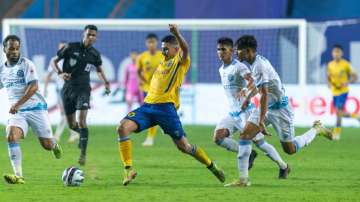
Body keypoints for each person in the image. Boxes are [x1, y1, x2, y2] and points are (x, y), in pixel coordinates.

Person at [116, 24, 225, 186]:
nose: (163, 51)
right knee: (122, 128)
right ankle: (128, 170)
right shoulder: (161, 64)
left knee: (184, 147)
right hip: (147, 107)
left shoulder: (179, 63)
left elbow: (186, 51)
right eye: (163, 48)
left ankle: (211, 165)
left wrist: (177, 34)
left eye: (166, 48)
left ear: (176, 49)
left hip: (166, 109)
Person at [226, 35, 333, 187]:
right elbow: (260, 89)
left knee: (289, 149)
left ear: (248, 51)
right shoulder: (254, 64)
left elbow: (263, 94)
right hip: (266, 106)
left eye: (239, 50)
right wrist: (248, 98)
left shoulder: (259, 66)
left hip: (280, 110)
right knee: (245, 135)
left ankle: (316, 130)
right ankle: (243, 179)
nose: (237, 53)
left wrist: (261, 119)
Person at [214, 37, 289, 178]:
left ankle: (283, 166)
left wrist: (246, 92)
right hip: (232, 113)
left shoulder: (240, 67)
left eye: (224, 49)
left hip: (246, 112)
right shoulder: (221, 69)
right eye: (218, 49)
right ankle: (250, 154)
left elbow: (254, 85)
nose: (220, 52)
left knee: (260, 142)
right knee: (218, 138)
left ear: (231, 51)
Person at [1, 35, 62, 184]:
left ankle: (54, 145)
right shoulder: (2, 69)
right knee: (11, 135)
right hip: (18, 113)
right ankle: (19, 176)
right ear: (4, 49)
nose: (15, 52)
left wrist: (18, 104)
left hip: (36, 109)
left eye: (17, 48)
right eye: (11, 49)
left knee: (47, 145)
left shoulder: (27, 64)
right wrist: (17, 107)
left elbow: (34, 87)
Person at [53, 24, 110, 166]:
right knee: (72, 125)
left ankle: (83, 154)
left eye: (93, 35)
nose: (91, 37)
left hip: (84, 90)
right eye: (89, 34)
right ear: (83, 34)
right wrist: (60, 73)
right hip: (67, 90)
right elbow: (54, 62)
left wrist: (106, 82)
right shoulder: (70, 47)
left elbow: (99, 69)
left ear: (96, 38)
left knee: (82, 121)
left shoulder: (95, 54)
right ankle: (83, 136)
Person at [43, 41, 79, 143]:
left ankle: (59, 135)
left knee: (67, 112)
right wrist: (45, 89)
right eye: (60, 48)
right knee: (65, 112)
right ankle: (71, 134)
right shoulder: (54, 60)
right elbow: (48, 76)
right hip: (60, 90)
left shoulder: (72, 60)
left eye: (64, 48)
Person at [327, 44, 359, 140]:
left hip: (343, 91)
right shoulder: (330, 65)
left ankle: (336, 134)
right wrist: (329, 83)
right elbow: (328, 76)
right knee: (339, 112)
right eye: (334, 52)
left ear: (341, 53)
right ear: (332, 53)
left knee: (338, 112)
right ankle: (356, 116)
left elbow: (355, 77)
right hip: (334, 92)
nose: (336, 54)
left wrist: (347, 82)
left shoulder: (346, 64)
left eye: (338, 52)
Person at [136, 33, 163, 146]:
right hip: (147, 88)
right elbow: (138, 71)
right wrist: (143, 80)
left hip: (161, 88)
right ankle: (152, 136)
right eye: (149, 42)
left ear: (157, 43)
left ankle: (150, 137)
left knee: (154, 112)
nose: (151, 44)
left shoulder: (163, 55)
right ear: (146, 43)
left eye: (153, 42)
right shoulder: (142, 57)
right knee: (153, 113)